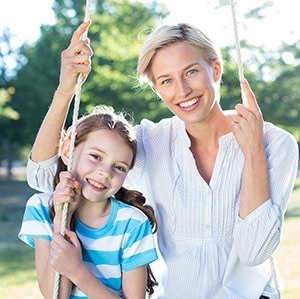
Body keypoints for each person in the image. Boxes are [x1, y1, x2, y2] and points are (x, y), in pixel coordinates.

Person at [26, 21, 298, 299]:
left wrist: (252, 152)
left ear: (215, 69)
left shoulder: (275, 144)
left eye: (191, 72)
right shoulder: (150, 142)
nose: (182, 91)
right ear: (157, 89)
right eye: (166, 80)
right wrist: (64, 91)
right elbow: (44, 177)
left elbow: (254, 252)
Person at [19, 105, 159, 298]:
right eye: (95, 156)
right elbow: (54, 295)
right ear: (68, 151)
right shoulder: (41, 208)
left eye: (119, 167)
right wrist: (62, 217)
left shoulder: (132, 223)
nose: (105, 172)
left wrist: (77, 271)